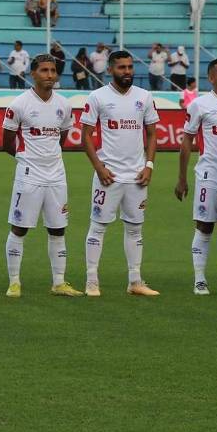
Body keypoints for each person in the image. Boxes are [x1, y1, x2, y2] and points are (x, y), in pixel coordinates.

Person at [78, 51, 160, 297]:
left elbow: (152, 134)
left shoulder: (144, 96)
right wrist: (99, 167)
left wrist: (149, 165)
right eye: (122, 67)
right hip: (109, 176)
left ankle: (135, 281)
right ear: (110, 70)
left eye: (130, 67)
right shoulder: (97, 97)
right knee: (98, 227)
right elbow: (85, 136)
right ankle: (92, 281)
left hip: (137, 177)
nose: (127, 71)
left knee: (135, 229)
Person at [2, 54, 82, 298]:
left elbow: (61, 138)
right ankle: (14, 282)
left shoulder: (64, 105)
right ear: (33, 73)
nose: (50, 75)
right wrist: (27, 159)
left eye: (53, 71)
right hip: (29, 175)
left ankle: (59, 282)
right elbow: (7, 142)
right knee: (20, 228)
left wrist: (49, 158)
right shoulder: (19, 104)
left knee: (58, 228)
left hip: (56, 174)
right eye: (44, 70)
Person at [175, 58, 217, 295]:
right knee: (204, 226)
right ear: (211, 78)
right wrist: (182, 178)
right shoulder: (199, 105)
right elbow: (187, 141)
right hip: (209, 175)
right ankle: (200, 279)